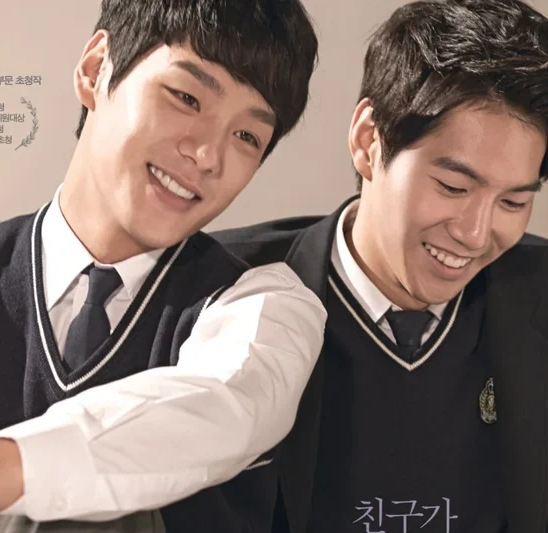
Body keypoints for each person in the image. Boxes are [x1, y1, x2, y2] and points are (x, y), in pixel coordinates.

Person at [0, 1, 326, 532]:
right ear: (96, 68)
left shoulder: (264, 309)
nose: (207, 155)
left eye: (247, 137)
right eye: (187, 97)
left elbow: (213, 412)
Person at [215, 0, 548, 531]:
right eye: (453, 187)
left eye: (513, 202)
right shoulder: (214, 287)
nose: (475, 234)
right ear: (368, 140)